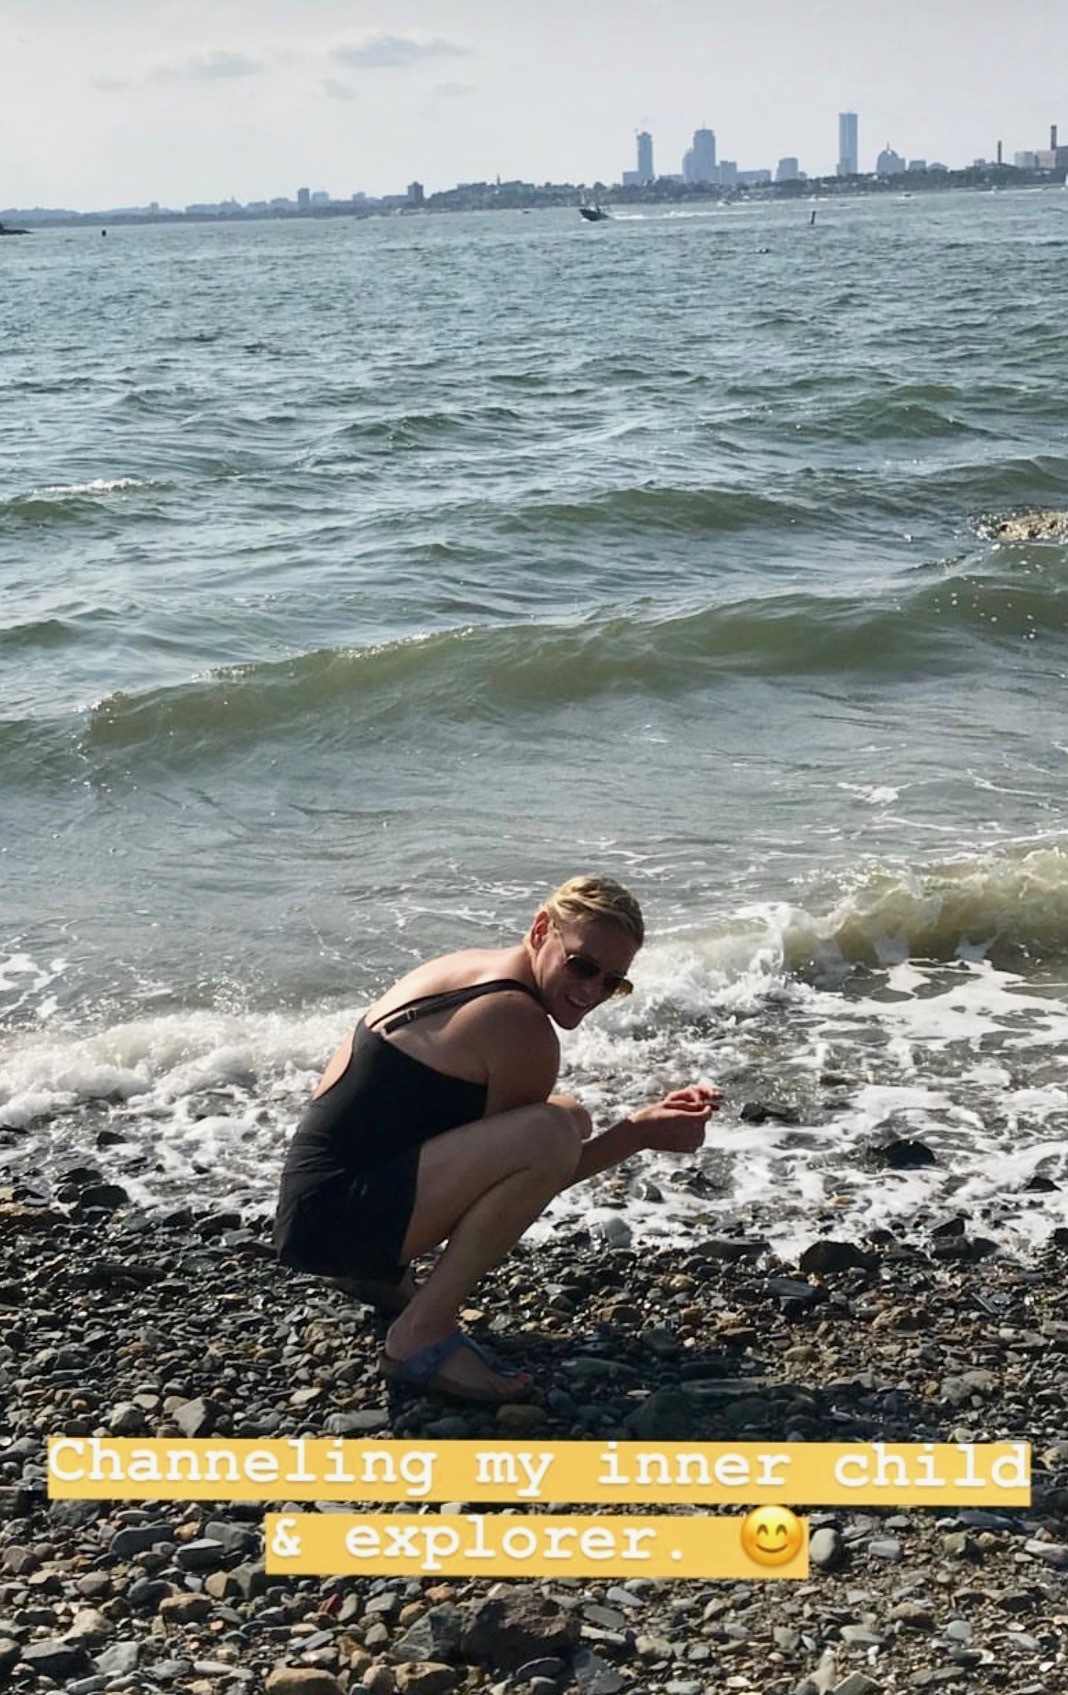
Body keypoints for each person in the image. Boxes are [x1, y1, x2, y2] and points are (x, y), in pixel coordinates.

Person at [274, 874, 721, 1403]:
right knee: (551, 1133)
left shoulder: (471, 968)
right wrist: (637, 1133)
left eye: (612, 982)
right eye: (581, 965)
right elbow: (535, 1173)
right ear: (542, 930)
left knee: (568, 1115)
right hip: (333, 1226)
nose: (591, 992)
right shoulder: (519, 1024)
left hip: (315, 1202)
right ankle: (419, 1335)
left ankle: (376, 1276)